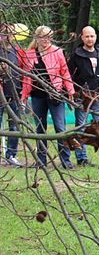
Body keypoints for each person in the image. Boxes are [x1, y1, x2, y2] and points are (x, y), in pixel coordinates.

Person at [20, 25, 75, 168]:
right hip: (37, 96)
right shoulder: (29, 54)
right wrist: (24, 97)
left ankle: (65, 160)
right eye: (43, 37)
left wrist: (70, 92)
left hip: (55, 94)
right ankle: (41, 160)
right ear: (37, 38)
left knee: (60, 128)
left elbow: (65, 72)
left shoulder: (57, 52)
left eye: (49, 37)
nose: (46, 40)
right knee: (40, 128)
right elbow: (26, 78)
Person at [67, 25, 99, 167]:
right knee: (81, 127)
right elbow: (69, 75)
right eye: (87, 36)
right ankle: (81, 158)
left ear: (95, 37)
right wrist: (73, 92)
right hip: (82, 96)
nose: (90, 39)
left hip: (98, 95)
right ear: (82, 38)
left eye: (92, 36)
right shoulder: (77, 55)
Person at [0, 24, 23, 167]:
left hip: (14, 93)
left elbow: (22, 71)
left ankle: (11, 154)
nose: (9, 36)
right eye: (6, 33)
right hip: (0, 94)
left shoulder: (17, 51)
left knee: (14, 126)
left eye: (11, 33)